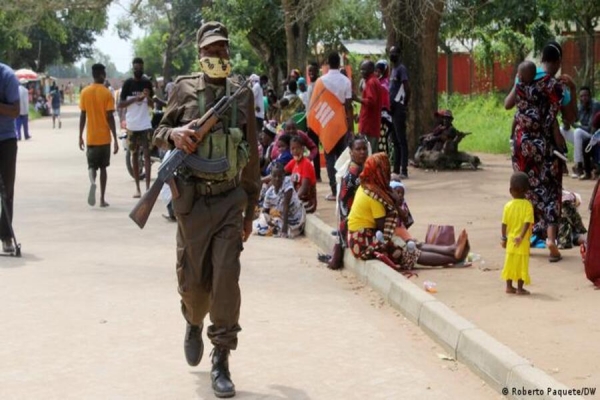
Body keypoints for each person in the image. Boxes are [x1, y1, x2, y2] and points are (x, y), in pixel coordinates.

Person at [152, 21, 260, 398]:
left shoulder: (241, 95)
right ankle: (193, 321)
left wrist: (250, 210)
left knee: (227, 279)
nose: (219, 56)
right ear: (200, 53)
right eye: (212, 50)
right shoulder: (182, 88)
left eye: (223, 49)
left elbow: (252, 155)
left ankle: (221, 357)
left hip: (230, 199)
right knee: (194, 288)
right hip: (194, 204)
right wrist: (174, 135)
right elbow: (158, 133)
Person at [504, 41, 576, 263]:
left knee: (526, 189)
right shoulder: (555, 86)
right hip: (545, 146)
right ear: (557, 62)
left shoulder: (522, 78)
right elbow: (570, 119)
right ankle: (551, 239)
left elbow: (508, 104)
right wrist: (571, 89)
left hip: (522, 145)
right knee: (552, 190)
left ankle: (520, 237)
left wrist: (518, 85)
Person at [347, 153, 470, 272]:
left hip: (366, 235)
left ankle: (451, 249)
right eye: (386, 170)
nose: (388, 174)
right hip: (363, 241)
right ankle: (453, 258)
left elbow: (397, 219)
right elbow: (384, 229)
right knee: (409, 252)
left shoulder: (369, 185)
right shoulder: (374, 195)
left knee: (412, 244)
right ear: (380, 172)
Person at [308, 52, 354, 201]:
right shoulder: (346, 81)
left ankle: (334, 191)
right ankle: (345, 190)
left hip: (327, 122)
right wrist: (351, 128)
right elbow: (348, 106)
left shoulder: (321, 81)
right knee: (344, 158)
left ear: (327, 63)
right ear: (339, 63)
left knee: (329, 158)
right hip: (341, 122)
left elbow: (315, 105)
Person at [323, 135, 368, 270]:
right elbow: (344, 203)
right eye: (358, 149)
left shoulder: (359, 169)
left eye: (364, 149)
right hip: (352, 220)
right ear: (351, 152)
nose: (362, 152)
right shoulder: (352, 175)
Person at [78, 63, 119, 208]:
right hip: (104, 139)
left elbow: (83, 115)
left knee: (91, 166)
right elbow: (110, 116)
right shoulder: (107, 93)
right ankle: (102, 199)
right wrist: (115, 138)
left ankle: (92, 182)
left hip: (91, 138)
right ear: (101, 75)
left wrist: (80, 136)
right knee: (103, 168)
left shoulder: (84, 92)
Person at [118, 57, 154, 198]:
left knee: (147, 155)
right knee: (134, 154)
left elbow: (152, 104)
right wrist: (136, 99)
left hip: (145, 124)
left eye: (140, 67)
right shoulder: (128, 84)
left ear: (143, 68)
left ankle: (148, 188)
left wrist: (147, 97)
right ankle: (137, 188)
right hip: (132, 125)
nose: (138, 69)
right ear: (133, 68)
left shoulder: (147, 83)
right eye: (136, 67)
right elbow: (121, 104)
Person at [501, 172, 534, 295]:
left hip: (510, 240)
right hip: (523, 241)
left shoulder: (508, 206)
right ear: (526, 190)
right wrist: (521, 236)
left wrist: (503, 238)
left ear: (510, 190)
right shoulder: (527, 205)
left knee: (509, 262)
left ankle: (509, 286)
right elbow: (527, 223)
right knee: (522, 264)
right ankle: (520, 288)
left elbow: (504, 224)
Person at [0, 63, 20, 254]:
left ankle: (6, 236)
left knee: (6, 190)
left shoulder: (7, 76)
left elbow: (15, 110)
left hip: (5, 139)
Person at [256, 162, 306, 238]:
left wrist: (284, 231)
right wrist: (267, 217)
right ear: (271, 177)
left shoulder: (287, 183)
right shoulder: (269, 193)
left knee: (273, 228)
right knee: (261, 222)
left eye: (280, 176)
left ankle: (282, 230)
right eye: (274, 176)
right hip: (282, 220)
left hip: (296, 220)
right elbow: (264, 211)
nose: (277, 179)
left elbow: (286, 207)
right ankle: (276, 228)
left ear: (283, 176)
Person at [561, 87, 600, 179]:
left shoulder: (595, 105)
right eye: (582, 96)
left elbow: (591, 128)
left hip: (594, 136)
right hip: (583, 136)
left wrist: (573, 124)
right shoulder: (580, 106)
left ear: (590, 96)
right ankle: (562, 162)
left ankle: (579, 166)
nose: (584, 98)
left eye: (586, 95)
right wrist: (566, 122)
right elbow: (573, 120)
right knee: (561, 130)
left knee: (578, 132)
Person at [389, 46, 411, 178]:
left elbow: (408, 88)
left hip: (399, 108)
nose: (392, 55)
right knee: (395, 140)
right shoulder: (393, 70)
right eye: (390, 53)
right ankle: (396, 169)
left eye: (394, 53)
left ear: (399, 54)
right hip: (392, 109)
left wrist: (404, 104)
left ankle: (404, 169)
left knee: (401, 140)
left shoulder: (401, 69)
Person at [355, 60, 383, 153]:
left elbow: (371, 102)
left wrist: (357, 98)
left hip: (369, 126)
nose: (362, 72)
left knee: (367, 154)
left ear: (371, 70)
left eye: (364, 70)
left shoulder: (371, 82)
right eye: (361, 70)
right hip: (372, 124)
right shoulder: (374, 81)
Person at [286, 136, 317, 213]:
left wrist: (292, 200)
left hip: (307, 203)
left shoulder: (306, 163)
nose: (295, 151)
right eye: (292, 149)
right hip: (298, 199)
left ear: (302, 149)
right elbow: (280, 172)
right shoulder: (293, 162)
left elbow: (304, 188)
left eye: (297, 148)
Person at [305, 62, 321, 182]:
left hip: (317, 121)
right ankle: (316, 173)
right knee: (313, 147)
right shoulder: (310, 85)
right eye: (309, 71)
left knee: (317, 147)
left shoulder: (318, 84)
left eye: (313, 71)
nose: (311, 73)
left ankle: (318, 174)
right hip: (311, 121)